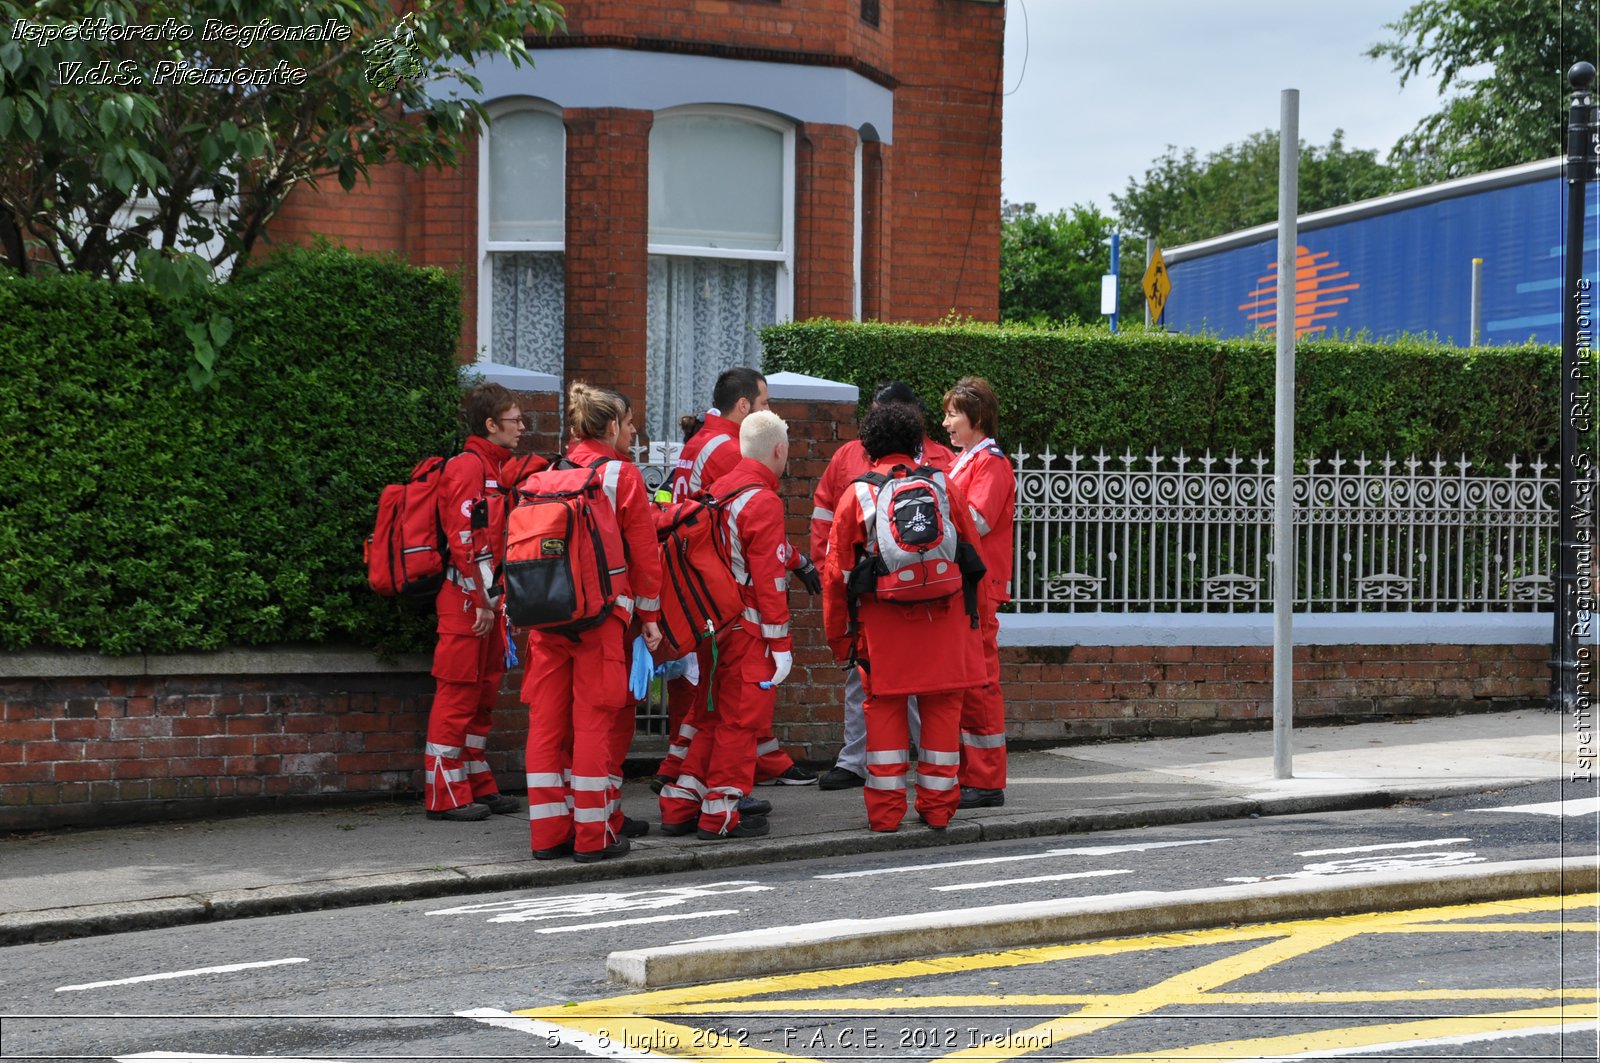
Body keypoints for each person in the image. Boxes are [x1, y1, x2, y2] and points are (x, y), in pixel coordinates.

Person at [821, 402, 988, 832]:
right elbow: (972, 557)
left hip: (884, 628)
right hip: (946, 622)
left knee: (884, 716)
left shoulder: (856, 495)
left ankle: (886, 814)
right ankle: (937, 809)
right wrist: (976, 625)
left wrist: (842, 641)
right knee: (942, 714)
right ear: (916, 442)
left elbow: (836, 578)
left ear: (869, 447)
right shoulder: (943, 484)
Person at [653, 367, 818, 790]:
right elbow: (762, 554)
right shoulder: (732, 453)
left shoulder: (701, 445)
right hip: (736, 610)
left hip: (708, 600)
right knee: (737, 713)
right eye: (764, 404)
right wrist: (781, 637)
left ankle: (680, 786)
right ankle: (721, 803)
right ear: (744, 407)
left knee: (711, 709)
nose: (767, 409)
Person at [522, 383, 663, 863]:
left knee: (545, 727)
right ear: (609, 427)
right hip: (601, 619)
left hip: (545, 617)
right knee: (593, 725)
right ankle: (594, 836)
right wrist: (650, 616)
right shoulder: (622, 476)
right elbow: (645, 557)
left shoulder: (545, 475)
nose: (632, 430)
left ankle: (547, 836)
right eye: (627, 423)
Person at [810, 382, 955, 791]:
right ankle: (921, 779)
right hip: (925, 602)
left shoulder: (940, 459)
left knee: (879, 690)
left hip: (882, 603)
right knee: (914, 690)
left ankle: (884, 781)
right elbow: (969, 551)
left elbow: (835, 532)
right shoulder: (937, 469)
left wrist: (838, 607)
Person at [423, 383, 524, 822]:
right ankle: (445, 796)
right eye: (514, 420)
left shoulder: (492, 468)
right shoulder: (468, 468)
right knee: (458, 695)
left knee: (482, 695)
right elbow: (466, 542)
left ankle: (476, 783)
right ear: (490, 424)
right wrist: (485, 600)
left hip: (483, 600)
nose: (522, 427)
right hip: (467, 601)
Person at [942, 376, 1016, 809]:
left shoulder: (989, 464)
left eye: (954, 414)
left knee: (981, 683)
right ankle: (976, 776)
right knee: (971, 682)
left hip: (979, 588)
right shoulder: (970, 459)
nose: (947, 422)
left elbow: (977, 521)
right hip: (971, 585)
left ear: (978, 419)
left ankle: (986, 780)